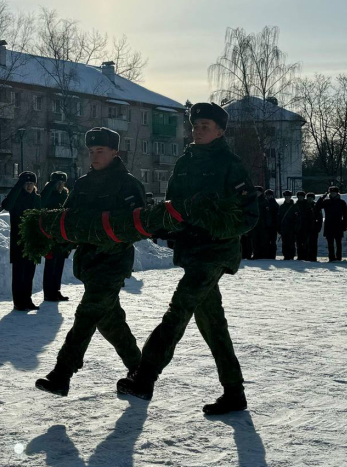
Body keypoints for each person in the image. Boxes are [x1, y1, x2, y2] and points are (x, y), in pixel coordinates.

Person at [116, 102, 259, 416]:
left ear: (220, 131)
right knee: (212, 324)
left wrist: (214, 227)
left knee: (178, 311)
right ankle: (234, 392)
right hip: (192, 251)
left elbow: (249, 214)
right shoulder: (185, 162)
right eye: (195, 126)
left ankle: (145, 376)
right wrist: (166, 226)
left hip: (214, 252)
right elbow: (174, 206)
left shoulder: (230, 164)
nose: (198, 130)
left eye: (205, 126)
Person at [36, 127, 145, 397]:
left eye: (100, 151)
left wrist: (106, 235)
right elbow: (69, 217)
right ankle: (141, 372)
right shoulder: (83, 184)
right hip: (88, 263)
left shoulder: (128, 184)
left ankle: (62, 373)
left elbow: (136, 225)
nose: (94, 156)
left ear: (115, 152)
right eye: (91, 151)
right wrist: (55, 237)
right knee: (110, 322)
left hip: (113, 262)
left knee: (87, 314)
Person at [2, 171, 42, 311]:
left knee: (30, 272)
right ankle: (18, 301)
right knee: (19, 272)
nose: (29, 186)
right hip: (19, 240)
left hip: (33, 240)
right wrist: (18, 185)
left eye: (32, 183)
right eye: (26, 183)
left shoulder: (37, 198)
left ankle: (27, 299)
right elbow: (6, 205)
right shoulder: (16, 198)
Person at [40, 171, 70, 302]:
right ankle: (48, 292)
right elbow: (41, 202)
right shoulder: (48, 194)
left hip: (62, 234)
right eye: (58, 182)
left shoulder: (65, 195)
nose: (60, 185)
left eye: (62, 182)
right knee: (51, 264)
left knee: (59, 264)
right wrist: (50, 187)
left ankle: (56, 290)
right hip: (50, 234)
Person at [316, 186, 347, 262]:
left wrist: (345, 224)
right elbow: (317, 207)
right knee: (330, 242)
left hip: (338, 224)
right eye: (331, 192)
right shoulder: (327, 202)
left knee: (338, 242)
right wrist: (321, 198)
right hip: (329, 224)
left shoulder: (342, 202)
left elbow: (345, 214)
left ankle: (339, 257)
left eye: (334, 192)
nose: (333, 194)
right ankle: (331, 257)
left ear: (337, 193)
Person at [278, 190, 299, 260]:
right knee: (285, 242)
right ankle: (285, 255)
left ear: (290, 197)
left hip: (292, 227)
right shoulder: (281, 207)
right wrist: (279, 228)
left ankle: (291, 255)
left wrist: (296, 227)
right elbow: (279, 218)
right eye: (286, 196)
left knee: (291, 242)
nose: (287, 197)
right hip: (284, 227)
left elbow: (298, 218)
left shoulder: (294, 207)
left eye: (288, 196)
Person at [250, 186, 269, 259]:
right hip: (255, 223)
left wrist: (267, 223)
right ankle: (256, 254)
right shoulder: (253, 201)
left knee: (263, 240)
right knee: (255, 240)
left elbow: (267, 214)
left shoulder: (264, 201)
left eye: (259, 192)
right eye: (256, 192)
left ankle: (263, 254)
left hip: (262, 223)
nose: (257, 193)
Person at [294, 191, 313, 260]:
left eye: (301, 197)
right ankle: (300, 256)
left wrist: (310, 226)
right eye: (299, 197)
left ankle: (306, 255)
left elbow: (310, 216)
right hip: (298, 226)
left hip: (306, 226)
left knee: (305, 242)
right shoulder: (296, 205)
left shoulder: (307, 205)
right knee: (298, 242)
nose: (300, 198)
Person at [307, 192, 323, 262]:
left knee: (313, 243)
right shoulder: (305, 205)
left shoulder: (316, 206)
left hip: (314, 227)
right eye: (308, 198)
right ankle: (307, 256)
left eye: (311, 198)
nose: (309, 199)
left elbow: (320, 217)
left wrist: (318, 227)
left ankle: (313, 256)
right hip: (306, 227)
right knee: (307, 243)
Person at [264, 189, 279, 258]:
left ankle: (272, 255)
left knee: (272, 241)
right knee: (266, 241)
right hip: (266, 225)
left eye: (269, 195)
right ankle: (267, 254)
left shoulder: (274, 204)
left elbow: (276, 216)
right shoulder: (265, 203)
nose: (268, 196)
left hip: (273, 225)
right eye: (267, 195)